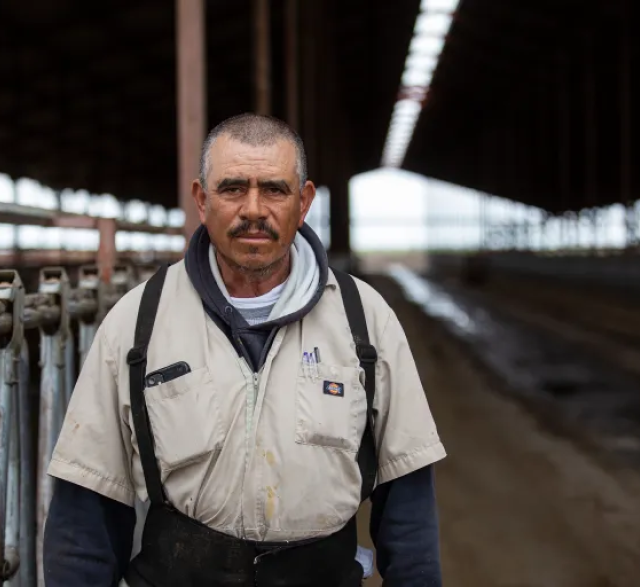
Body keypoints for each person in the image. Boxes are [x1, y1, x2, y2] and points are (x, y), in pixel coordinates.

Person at [43, 113, 447, 586]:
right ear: (201, 199)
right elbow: (86, 514)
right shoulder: (138, 322)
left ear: (304, 201)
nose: (253, 208)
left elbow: (408, 505)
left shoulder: (365, 320)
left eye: (274, 189)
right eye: (233, 188)